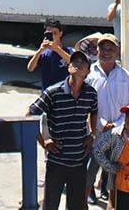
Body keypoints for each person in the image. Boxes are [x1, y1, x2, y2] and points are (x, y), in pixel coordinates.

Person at [30, 50, 98, 210]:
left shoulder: (90, 93)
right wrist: (43, 141)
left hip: (79, 162)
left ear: (88, 72)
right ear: (69, 67)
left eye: (83, 63)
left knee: (76, 206)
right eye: (75, 62)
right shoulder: (53, 92)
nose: (78, 64)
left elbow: (94, 112)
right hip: (56, 162)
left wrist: (92, 134)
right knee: (50, 205)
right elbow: (29, 115)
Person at [85, 34, 129, 204]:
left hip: (118, 133)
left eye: (110, 49)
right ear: (97, 51)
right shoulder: (89, 74)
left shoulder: (126, 76)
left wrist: (117, 124)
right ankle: (87, 196)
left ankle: (110, 200)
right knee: (88, 171)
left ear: (117, 52)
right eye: (103, 48)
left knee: (114, 172)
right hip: (94, 133)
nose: (106, 52)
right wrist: (101, 123)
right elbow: (85, 103)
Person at [92, 102, 129, 210]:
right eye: (128, 117)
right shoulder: (115, 134)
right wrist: (111, 167)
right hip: (121, 186)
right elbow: (97, 150)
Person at [27, 19, 74, 90]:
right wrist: (40, 51)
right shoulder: (44, 52)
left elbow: (73, 63)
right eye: (49, 34)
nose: (53, 36)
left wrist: (57, 49)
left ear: (60, 34)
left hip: (63, 90)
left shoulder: (68, 50)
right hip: (47, 90)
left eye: (55, 33)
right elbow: (30, 68)